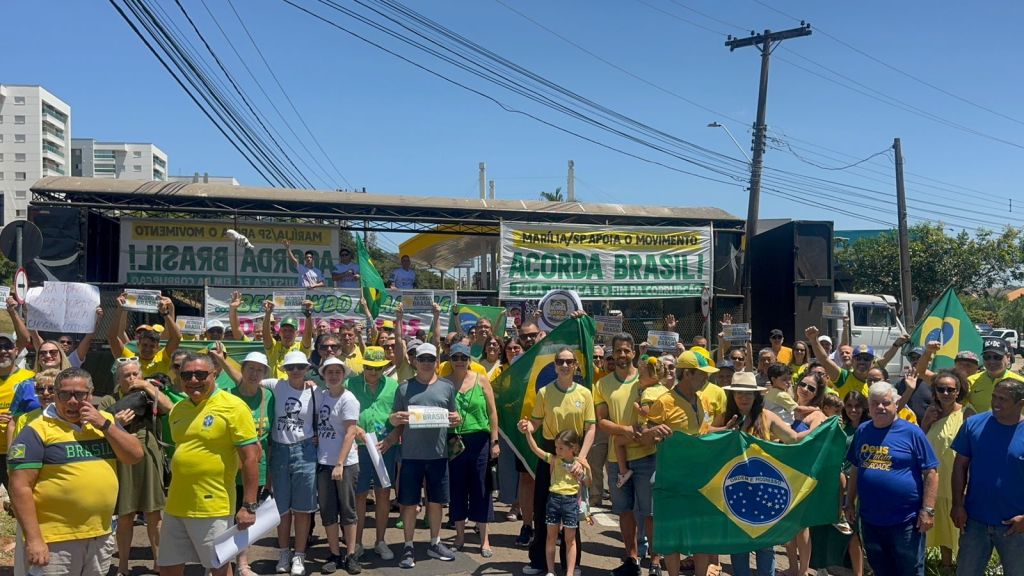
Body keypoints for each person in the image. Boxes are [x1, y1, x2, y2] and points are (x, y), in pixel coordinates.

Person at [9, 368, 144, 576]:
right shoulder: (37, 430)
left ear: (91, 394)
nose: (72, 401)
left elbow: (134, 455)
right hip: (55, 540)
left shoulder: (104, 420)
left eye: (79, 394)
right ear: (55, 395)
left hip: (100, 535)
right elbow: (19, 487)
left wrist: (105, 425)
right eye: (65, 394)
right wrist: (34, 540)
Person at [157, 353, 260, 576]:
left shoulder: (233, 406)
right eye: (186, 374)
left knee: (218, 568)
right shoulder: (179, 409)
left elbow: (251, 457)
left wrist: (249, 505)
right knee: (166, 567)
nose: (193, 379)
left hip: (213, 507)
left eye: (200, 374)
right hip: (175, 505)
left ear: (215, 374)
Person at [713, 372, 811, 576]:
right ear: (732, 395)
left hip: (764, 488)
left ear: (756, 395)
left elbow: (793, 439)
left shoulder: (767, 416)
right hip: (734, 490)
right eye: (739, 392)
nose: (743, 397)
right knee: (739, 546)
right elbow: (705, 437)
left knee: (766, 546)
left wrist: (821, 428)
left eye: (748, 393)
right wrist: (723, 429)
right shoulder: (723, 417)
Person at [380, 343, 461, 568]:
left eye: (430, 359)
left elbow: (454, 417)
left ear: (437, 362)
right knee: (409, 503)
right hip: (411, 456)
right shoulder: (404, 389)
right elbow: (395, 422)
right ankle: (408, 546)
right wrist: (394, 420)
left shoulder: (447, 387)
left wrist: (457, 420)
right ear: (415, 361)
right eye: (422, 358)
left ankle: (435, 542)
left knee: (436, 502)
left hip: (438, 456)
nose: (426, 363)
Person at [845, 381, 938, 576]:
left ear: (896, 404)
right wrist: (849, 502)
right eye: (875, 403)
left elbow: (931, 471)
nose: (880, 407)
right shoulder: (863, 430)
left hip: (906, 520)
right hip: (871, 519)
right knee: (881, 568)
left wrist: (928, 510)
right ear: (868, 407)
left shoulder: (912, 432)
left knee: (909, 569)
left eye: (886, 403)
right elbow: (855, 467)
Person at [96, 357, 174, 576]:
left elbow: (171, 408)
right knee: (125, 515)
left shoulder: (149, 395)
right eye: (126, 375)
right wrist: (116, 422)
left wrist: (148, 387)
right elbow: (97, 428)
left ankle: (160, 563)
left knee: (154, 513)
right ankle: (123, 566)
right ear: (118, 379)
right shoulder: (108, 400)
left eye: (135, 374)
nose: (131, 379)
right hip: (122, 458)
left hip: (149, 455)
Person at [523, 347, 596, 576]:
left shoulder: (584, 393)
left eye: (569, 361)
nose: (564, 365)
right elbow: (535, 422)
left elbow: (591, 427)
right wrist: (527, 427)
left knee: (573, 510)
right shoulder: (544, 392)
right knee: (542, 507)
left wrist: (581, 458)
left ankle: (571, 566)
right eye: (560, 361)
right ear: (554, 365)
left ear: (575, 365)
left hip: (575, 453)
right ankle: (540, 563)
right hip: (551, 451)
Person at [645, 349, 717, 576]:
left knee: (702, 535)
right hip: (672, 479)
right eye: (701, 374)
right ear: (687, 374)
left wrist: (726, 431)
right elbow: (645, 435)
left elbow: (704, 431)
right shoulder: (664, 401)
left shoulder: (703, 399)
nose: (706, 378)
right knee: (672, 535)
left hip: (701, 479)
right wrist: (654, 430)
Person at [595, 333, 658, 576]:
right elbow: (602, 421)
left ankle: (654, 560)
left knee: (650, 512)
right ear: (612, 353)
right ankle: (632, 560)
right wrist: (627, 430)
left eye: (626, 351)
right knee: (624, 511)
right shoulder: (602, 385)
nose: (622, 355)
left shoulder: (646, 380)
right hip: (616, 458)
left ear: (633, 353)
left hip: (647, 454)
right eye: (618, 351)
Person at [209, 348, 274, 576]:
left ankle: (243, 563)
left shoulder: (269, 397)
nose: (254, 373)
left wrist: (271, 477)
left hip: (256, 468)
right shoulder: (226, 396)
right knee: (222, 517)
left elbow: (273, 438)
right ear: (242, 370)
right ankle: (218, 562)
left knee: (246, 516)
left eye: (259, 370)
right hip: (227, 468)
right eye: (250, 368)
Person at [950, 378, 1024, 575]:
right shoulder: (973, 425)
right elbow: (960, 466)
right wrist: (957, 504)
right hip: (975, 521)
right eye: (994, 396)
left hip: (1016, 526)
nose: (996, 403)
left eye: (1003, 399)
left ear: (1020, 403)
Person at [263, 350, 320, 576]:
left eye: (300, 367)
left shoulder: (316, 392)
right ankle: (284, 552)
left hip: (305, 451)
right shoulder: (276, 385)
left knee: (303, 509)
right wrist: (221, 359)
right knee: (282, 509)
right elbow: (245, 378)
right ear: (284, 369)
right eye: (290, 367)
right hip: (279, 451)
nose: (295, 371)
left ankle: (299, 554)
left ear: (307, 368)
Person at [446, 342, 500, 556]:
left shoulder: (482, 380)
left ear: (469, 359)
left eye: (463, 357)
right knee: (457, 488)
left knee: (481, 488)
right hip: (454, 442)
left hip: (480, 441)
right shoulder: (444, 384)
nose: (459, 361)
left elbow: (493, 413)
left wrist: (495, 441)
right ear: (450, 360)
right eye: (455, 357)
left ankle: (484, 539)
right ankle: (459, 536)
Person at [348, 346, 400, 562]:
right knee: (359, 495)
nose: (373, 372)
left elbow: (401, 419)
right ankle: (357, 542)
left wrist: (391, 439)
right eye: (369, 367)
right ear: (364, 366)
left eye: (377, 368)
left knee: (383, 494)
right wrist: (355, 430)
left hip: (384, 447)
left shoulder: (394, 386)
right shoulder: (350, 384)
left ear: (384, 367)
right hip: (358, 448)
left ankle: (380, 541)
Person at [520, 425, 590, 576]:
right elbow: (535, 449)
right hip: (553, 500)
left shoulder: (579, 464)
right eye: (556, 447)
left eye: (561, 448)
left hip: (571, 502)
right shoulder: (554, 460)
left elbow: (588, 482)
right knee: (550, 537)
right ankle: (551, 570)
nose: (557, 450)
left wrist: (584, 471)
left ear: (573, 448)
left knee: (570, 540)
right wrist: (527, 434)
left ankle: (570, 572)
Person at [315, 357, 361, 575]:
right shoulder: (321, 396)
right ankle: (334, 553)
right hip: (323, 461)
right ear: (323, 374)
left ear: (344, 375)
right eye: (329, 372)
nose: (333, 376)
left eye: (338, 372)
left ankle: (351, 554)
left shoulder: (348, 398)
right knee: (328, 511)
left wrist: (340, 463)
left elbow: (351, 431)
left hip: (345, 463)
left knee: (348, 510)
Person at [919, 370, 969, 570]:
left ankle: (966, 566)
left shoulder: (967, 413)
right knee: (941, 525)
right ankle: (946, 565)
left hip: (958, 480)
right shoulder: (931, 413)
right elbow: (919, 442)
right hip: (935, 481)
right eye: (941, 389)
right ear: (935, 392)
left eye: (951, 389)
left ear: (958, 391)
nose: (946, 393)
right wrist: (925, 423)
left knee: (961, 527)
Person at [108, 294, 181, 377]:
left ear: (158, 347)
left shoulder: (163, 358)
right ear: (138, 345)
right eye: (144, 345)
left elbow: (177, 338)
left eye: (152, 346)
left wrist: (166, 313)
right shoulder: (129, 359)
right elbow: (112, 338)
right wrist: (119, 309)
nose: (147, 349)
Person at [807, 325, 870, 399]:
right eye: (858, 358)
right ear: (852, 360)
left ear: (873, 362)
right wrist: (814, 340)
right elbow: (824, 359)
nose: (862, 361)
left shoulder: (876, 380)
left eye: (867, 358)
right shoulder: (843, 377)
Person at [965, 337, 1024, 413]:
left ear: (1008, 357)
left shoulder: (1020, 382)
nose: (991, 361)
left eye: (997, 357)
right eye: (987, 357)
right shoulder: (970, 381)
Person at [262, 299, 315, 378]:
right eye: (284, 330)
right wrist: (268, 313)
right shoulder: (273, 346)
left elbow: (308, 334)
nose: (287, 333)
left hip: (295, 388)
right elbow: (265, 333)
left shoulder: (301, 348)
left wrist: (308, 315)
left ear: (297, 333)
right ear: (279, 332)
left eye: (291, 330)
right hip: (275, 388)